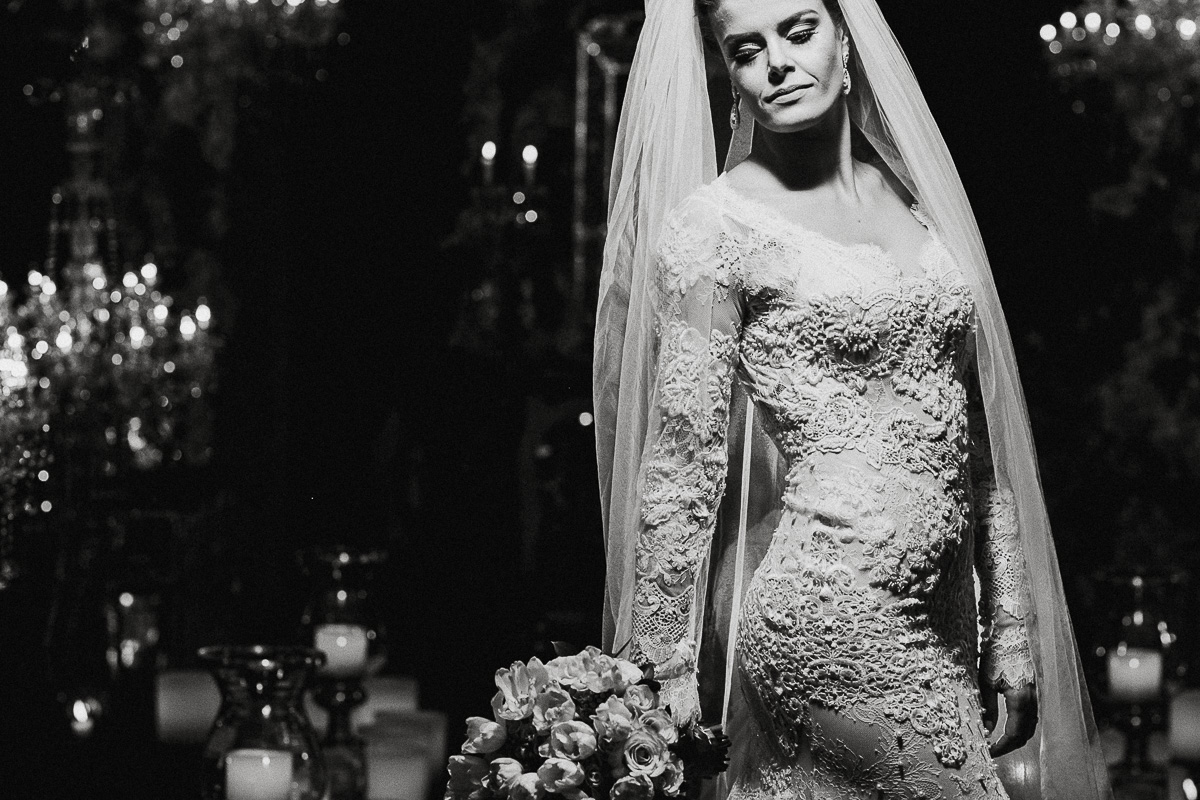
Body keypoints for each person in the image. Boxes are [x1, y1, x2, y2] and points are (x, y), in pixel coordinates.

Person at [592, 0, 1114, 798]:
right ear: (729, 76)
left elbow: (972, 437)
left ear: (845, 39)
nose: (777, 62)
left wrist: (1010, 625)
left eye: (798, 30)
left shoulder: (911, 200)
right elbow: (683, 468)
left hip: (944, 623)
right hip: (831, 614)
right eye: (746, 50)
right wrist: (659, 666)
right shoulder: (716, 228)